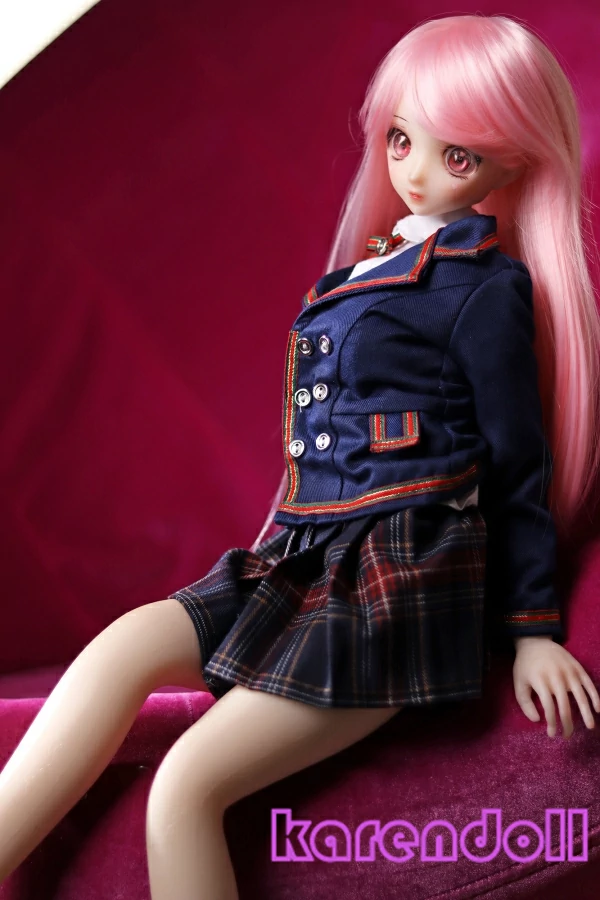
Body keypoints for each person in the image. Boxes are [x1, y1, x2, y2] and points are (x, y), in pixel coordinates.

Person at [1, 13, 600, 900]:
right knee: (119, 651)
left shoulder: (484, 290)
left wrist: (530, 632)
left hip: (398, 584)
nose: (415, 170)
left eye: (457, 155)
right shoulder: (367, 269)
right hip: (303, 560)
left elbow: (519, 468)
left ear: (513, 164)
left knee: (186, 789)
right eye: (401, 138)